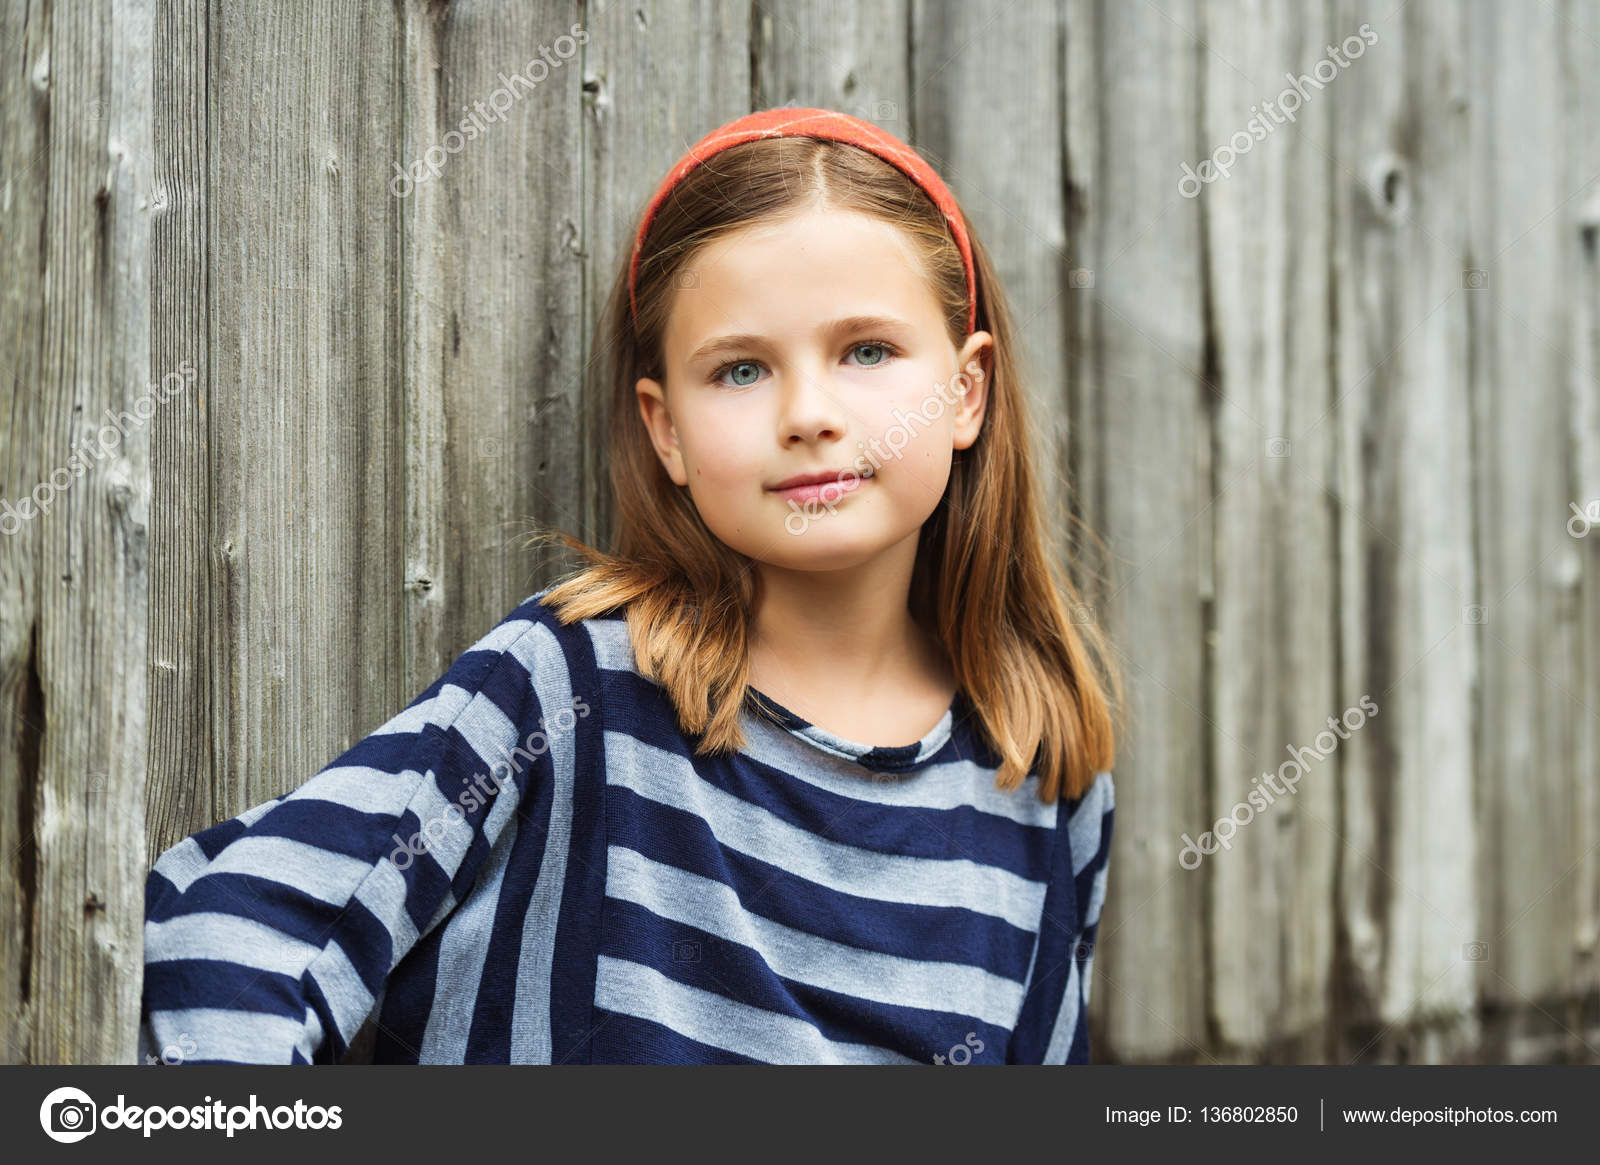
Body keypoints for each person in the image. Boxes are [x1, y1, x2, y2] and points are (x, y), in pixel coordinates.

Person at [139, 107, 1123, 1065]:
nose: (808, 412)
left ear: (966, 391)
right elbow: (233, 937)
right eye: (740, 370)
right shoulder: (571, 687)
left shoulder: (1041, 774)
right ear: (665, 430)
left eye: (866, 350)